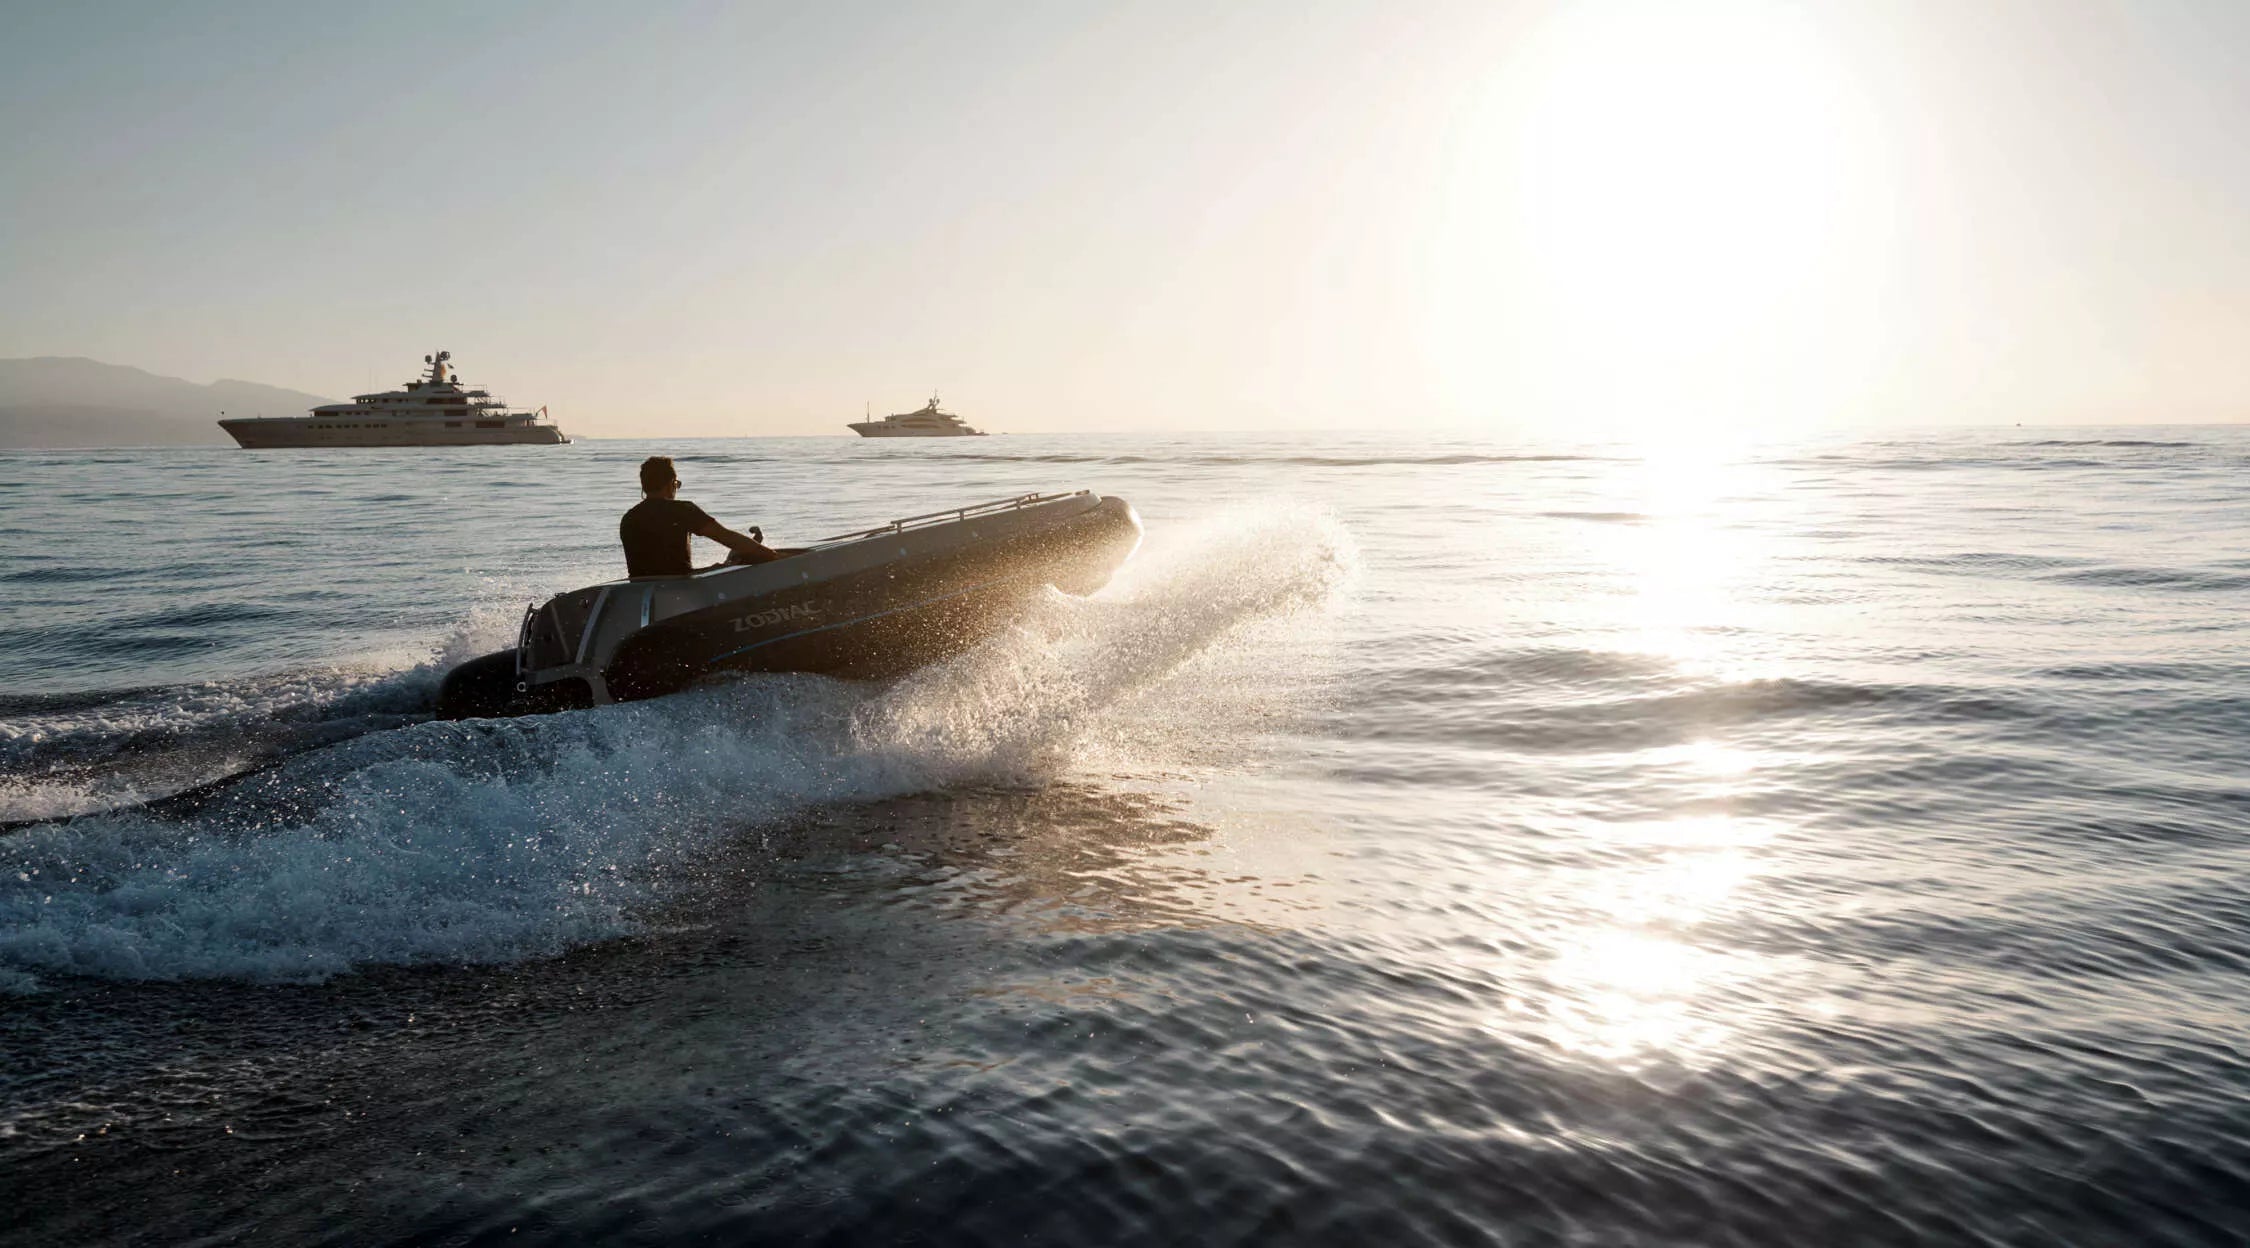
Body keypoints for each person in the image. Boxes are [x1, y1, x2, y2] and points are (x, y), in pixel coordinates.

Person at [620, 455, 778, 577]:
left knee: (730, 561)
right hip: (679, 589)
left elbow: (656, 570)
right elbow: (727, 537)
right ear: (671, 484)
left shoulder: (628, 518)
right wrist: (774, 556)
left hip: (640, 589)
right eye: (676, 485)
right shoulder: (682, 510)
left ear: (644, 486)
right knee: (743, 559)